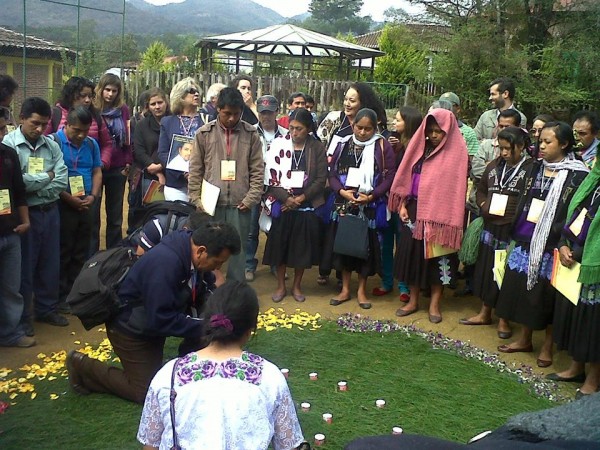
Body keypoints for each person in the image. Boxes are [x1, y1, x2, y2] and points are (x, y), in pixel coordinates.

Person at [65, 221, 241, 404]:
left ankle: (187, 361)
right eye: (217, 262)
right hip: (130, 330)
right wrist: (206, 325)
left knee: (208, 323)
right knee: (145, 391)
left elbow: (203, 288)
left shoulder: (189, 248)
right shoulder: (166, 263)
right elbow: (160, 320)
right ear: (201, 251)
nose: (217, 268)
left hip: (149, 321)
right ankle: (81, 365)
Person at [137, 280, 305, 449]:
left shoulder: (169, 374)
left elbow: (151, 443)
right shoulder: (269, 377)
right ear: (250, 329)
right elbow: (288, 443)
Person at [495, 122, 589, 367]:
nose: (542, 145)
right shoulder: (536, 167)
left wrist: (565, 240)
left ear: (565, 144)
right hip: (525, 238)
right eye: (540, 140)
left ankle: (547, 347)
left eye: (548, 141)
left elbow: (577, 212)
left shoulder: (579, 175)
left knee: (547, 297)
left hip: (553, 244)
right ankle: (525, 339)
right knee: (525, 290)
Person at [388, 108, 468, 323]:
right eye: (430, 130)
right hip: (414, 211)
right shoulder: (418, 151)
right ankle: (413, 301)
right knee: (413, 256)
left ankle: (434, 304)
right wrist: (403, 204)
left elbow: (456, 191)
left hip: (440, 217)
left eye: (438, 131)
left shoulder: (456, 155)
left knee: (438, 259)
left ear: (448, 132)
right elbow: (406, 178)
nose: (433, 135)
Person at [459, 127, 533, 338]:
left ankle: (504, 320)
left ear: (521, 147)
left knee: (504, 273)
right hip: (490, 226)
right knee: (486, 269)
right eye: (500, 148)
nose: (503, 153)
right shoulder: (494, 166)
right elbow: (481, 188)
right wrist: (483, 204)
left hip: (512, 229)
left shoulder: (530, 170)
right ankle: (484, 312)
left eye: (508, 148)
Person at [3, 97, 69, 330]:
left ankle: (47, 309)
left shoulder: (51, 145)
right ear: (21, 118)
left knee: (50, 263)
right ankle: (23, 318)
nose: (39, 129)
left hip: (50, 211)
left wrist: (38, 182)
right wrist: (46, 177)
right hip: (25, 213)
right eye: (35, 123)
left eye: (44, 124)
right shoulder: (9, 145)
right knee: (24, 267)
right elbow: (17, 184)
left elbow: (62, 178)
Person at [188, 87, 264, 282]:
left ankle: (235, 290)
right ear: (217, 108)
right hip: (210, 204)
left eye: (236, 114)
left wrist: (251, 199)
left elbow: (257, 170)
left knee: (238, 250)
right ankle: (207, 288)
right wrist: (196, 200)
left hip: (241, 204)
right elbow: (195, 170)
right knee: (210, 248)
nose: (231, 118)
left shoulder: (251, 134)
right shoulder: (204, 134)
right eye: (226, 113)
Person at [316, 82, 388, 285]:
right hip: (334, 186)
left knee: (353, 232)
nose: (347, 103)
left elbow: (384, 165)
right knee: (331, 230)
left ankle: (343, 276)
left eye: (352, 100)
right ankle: (327, 269)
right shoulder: (333, 120)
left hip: (364, 194)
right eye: (346, 99)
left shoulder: (374, 128)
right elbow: (321, 149)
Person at [326, 108, 396, 309]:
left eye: (368, 129)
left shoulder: (382, 146)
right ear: (353, 125)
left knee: (365, 246)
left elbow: (390, 175)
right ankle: (345, 289)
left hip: (370, 203)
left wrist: (372, 196)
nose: (363, 132)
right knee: (346, 244)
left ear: (375, 129)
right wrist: (341, 192)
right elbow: (331, 173)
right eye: (359, 127)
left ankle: (361, 291)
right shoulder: (342, 143)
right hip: (344, 202)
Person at [263, 108, 327, 302]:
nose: (294, 132)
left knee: (301, 249)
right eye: (291, 128)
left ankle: (297, 286)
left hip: (306, 205)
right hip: (283, 204)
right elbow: (271, 178)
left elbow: (320, 179)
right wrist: (286, 199)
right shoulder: (278, 145)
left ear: (308, 129)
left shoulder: (316, 148)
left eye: (298, 128)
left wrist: (300, 199)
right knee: (281, 248)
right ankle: (281, 286)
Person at [550, 159, 600, 398]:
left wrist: (578, 252)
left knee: (594, 322)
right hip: (576, 256)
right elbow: (575, 215)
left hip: (594, 265)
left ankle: (594, 378)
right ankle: (576, 368)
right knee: (578, 316)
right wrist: (563, 244)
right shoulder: (594, 181)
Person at [373, 106, 422, 302]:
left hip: (407, 204)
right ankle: (386, 281)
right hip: (388, 200)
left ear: (409, 123)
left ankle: (404, 285)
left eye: (399, 120)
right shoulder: (390, 144)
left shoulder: (419, 149)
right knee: (386, 242)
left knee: (403, 244)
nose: (394, 123)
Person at [55, 107, 102, 306]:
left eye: (85, 130)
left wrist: (93, 196)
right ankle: (59, 294)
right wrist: (67, 198)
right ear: (66, 125)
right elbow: (50, 177)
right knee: (63, 249)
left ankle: (75, 292)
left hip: (86, 202)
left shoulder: (91, 144)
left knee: (81, 248)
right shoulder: (54, 142)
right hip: (63, 202)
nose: (81, 135)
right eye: (76, 130)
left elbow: (97, 171)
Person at [246, 94, 289, 282]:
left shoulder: (287, 134)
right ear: (258, 113)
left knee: (276, 227)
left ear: (277, 112)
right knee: (251, 228)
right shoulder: (249, 132)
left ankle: (275, 264)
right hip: (254, 185)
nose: (266, 117)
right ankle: (248, 265)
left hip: (277, 187)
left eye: (270, 113)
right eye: (263, 113)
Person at [91, 72, 132, 250]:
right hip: (96, 167)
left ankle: (113, 254)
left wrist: (128, 162)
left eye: (114, 91)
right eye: (107, 90)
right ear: (100, 89)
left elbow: (128, 138)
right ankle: (92, 255)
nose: (110, 94)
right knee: (93, 215)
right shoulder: (92, 109)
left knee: (115, 216)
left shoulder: (124, 110)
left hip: (118, 168)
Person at [0, 140, 31, 347]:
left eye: (1, 129)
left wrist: (26, 220)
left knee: (11, 287)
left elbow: (19, 191)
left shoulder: (9, 154)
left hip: (10, 231)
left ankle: (11, 333)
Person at [128, 87, 169, 231]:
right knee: (142, 214)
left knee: (166, 214)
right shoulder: (141, 125)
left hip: (171, 175)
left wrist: (161, 167)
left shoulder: (174, 122)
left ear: (166, 102)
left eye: (160, 102)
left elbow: (179, 148)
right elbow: (138, 150)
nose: (157, 107)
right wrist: (153, 168)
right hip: (145, 175)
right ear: (148, 106)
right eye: (153, 104)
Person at [157, 77, 204, 202]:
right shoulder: (167, 122)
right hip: (175, 184)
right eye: (191, 91)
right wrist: (183, 172)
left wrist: (196, 173)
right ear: (181, 96)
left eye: (198, 91)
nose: (197, 94)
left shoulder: (206, 120)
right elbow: (163, 153)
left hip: (202, 185)